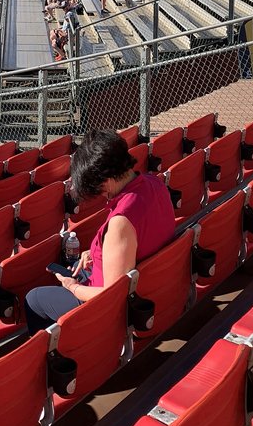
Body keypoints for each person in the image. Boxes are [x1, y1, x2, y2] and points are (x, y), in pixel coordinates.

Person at [25, 130, 179, 330]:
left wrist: (73, 287)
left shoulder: (121, 222)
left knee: (34, 299)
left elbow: (112, 295)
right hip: (155, 286)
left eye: (98, 188)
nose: (100, 194)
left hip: (108, 310)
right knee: (72, 272)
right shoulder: (155, 183)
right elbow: (142, 240)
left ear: (106, 180)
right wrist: (97, 253)